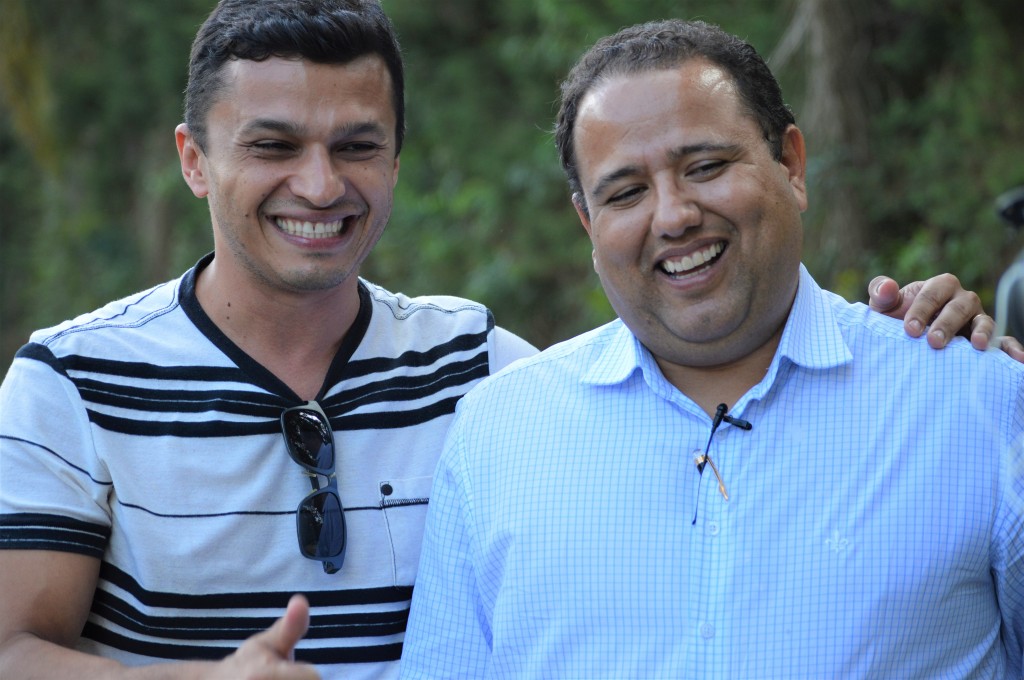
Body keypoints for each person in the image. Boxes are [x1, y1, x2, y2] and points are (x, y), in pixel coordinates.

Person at [0, 2, 1012, 678]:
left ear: (396, 159)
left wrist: (933, 350)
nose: (318, 184)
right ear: (193, 158)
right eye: (271, 145)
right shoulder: (71, 378)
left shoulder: (481, 371)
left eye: (356, 144)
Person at [399, 19, 1024, 679]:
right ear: (588, 221)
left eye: (705, 166)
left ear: (791, 165)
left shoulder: (975, 401)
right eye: (626, 192)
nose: (672, 216)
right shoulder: (498, 437)